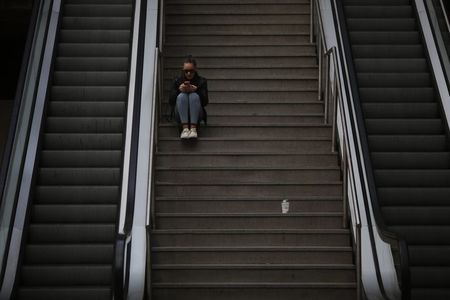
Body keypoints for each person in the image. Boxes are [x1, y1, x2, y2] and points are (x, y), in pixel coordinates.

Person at [169, 55, 208, 139]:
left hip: (197, 114)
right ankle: (185, 129)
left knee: (193, 95)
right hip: (180, 114)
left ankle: (193, 129)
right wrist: (179, 90)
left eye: (191, 71)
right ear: (182, 70)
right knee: (182, 96)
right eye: (186, 71)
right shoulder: (177, 80)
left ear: (195, 69)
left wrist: (196, 90)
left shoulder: (202, 81)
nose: (189, 73)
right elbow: (171, 101)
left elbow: (205, 102)